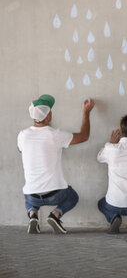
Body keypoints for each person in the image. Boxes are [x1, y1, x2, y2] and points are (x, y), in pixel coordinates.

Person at [18, 94, 94, 234]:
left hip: (32, 195)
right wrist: (86, 112)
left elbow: (20, 150)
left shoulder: (22, 135)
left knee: (28, 195)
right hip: (55, 194)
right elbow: (84, 136)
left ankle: (33, 214)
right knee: (73, 196)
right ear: (48, 117)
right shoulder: (55, 135)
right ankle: (55, 215)